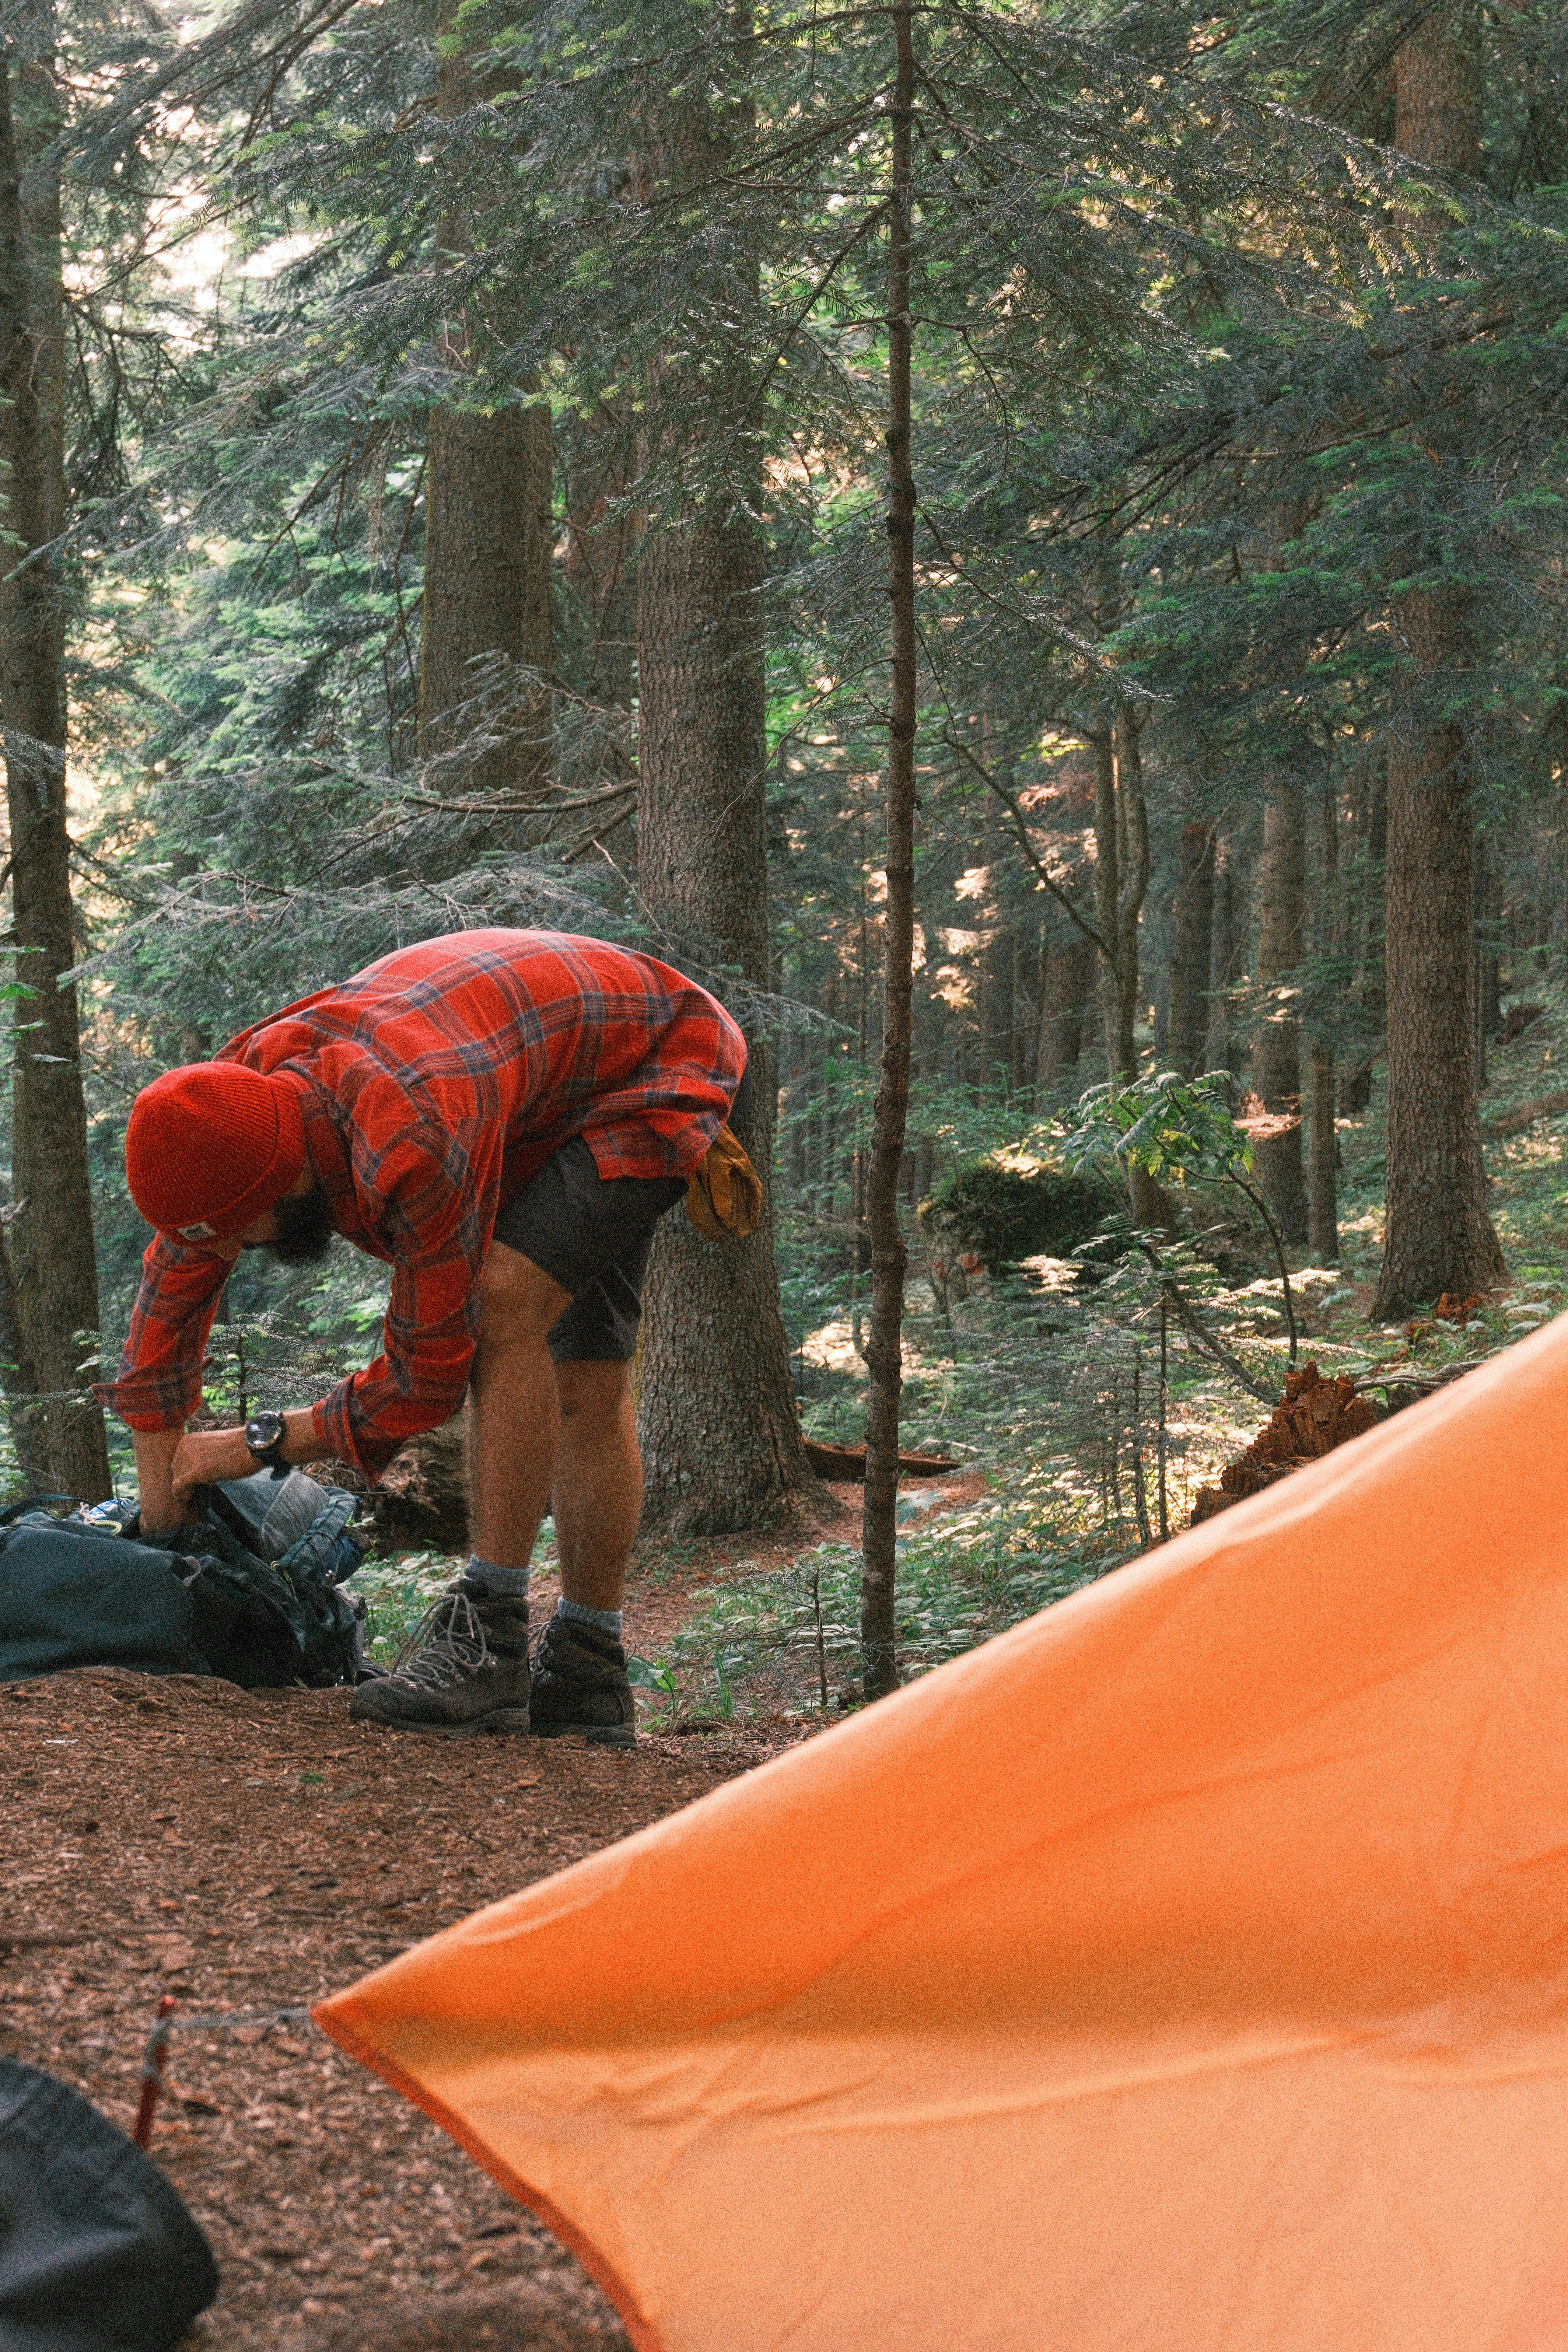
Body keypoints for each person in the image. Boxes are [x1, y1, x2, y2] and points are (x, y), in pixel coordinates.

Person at [97, 928, 749, 1743]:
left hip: (654, 1059)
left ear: (280, 1184)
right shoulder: (222, 1115)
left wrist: (248, 1446)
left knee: (503, 1306)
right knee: (578, 1374)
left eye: (238, 1234)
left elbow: (428, 1374)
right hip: (532, 1074)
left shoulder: (410, 1133)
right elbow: (170, 1308)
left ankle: (496, 1638)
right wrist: (164, 1523)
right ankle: (590, 1676)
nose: (232, 1254)